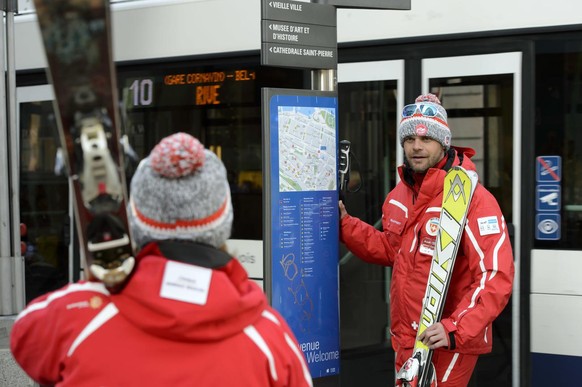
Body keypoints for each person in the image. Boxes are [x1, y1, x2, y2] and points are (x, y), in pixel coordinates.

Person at [11, 132, 313, 387]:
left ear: (137, 220)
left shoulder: (78, 316)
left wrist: (98, 280)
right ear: (223, 219)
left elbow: (24, 336)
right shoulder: (269, 339)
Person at [339, 94, 514, 386]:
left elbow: (495, 275)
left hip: (447, 339)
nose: (416, 146)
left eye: (426, 139)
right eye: (409, 139)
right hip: (407, 337)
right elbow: (391, 250)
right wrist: (344, 224)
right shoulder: (399, 196)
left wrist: (454, 327)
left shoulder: (473, 199)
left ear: (443, 143)